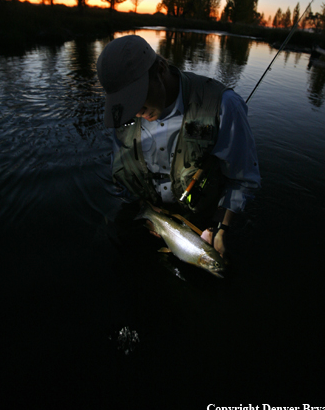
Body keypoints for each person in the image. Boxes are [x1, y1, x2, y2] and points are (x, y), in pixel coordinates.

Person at [96, 34, 260, 257]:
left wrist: (221, 229)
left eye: (138, 96)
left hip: (200, 226)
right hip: (144, 215)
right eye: (126, 102)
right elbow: (119, 173)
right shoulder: (125, 114)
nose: (135, 110)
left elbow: (242, 179)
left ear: (161, 69)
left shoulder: (223, 106)